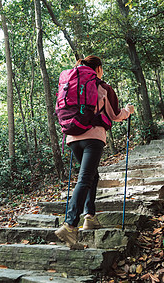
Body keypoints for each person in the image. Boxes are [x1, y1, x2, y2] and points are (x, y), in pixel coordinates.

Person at [54, 55, 134, 249]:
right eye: (102, 68)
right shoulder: (103, 87)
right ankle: (70, 225)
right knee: (85, 178)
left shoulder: (72, 83)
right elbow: (115, 115)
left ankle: (90, 216)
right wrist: (128, 110)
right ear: (98, 68)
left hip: (73, 137)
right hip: (93, 137)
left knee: (92, 176)